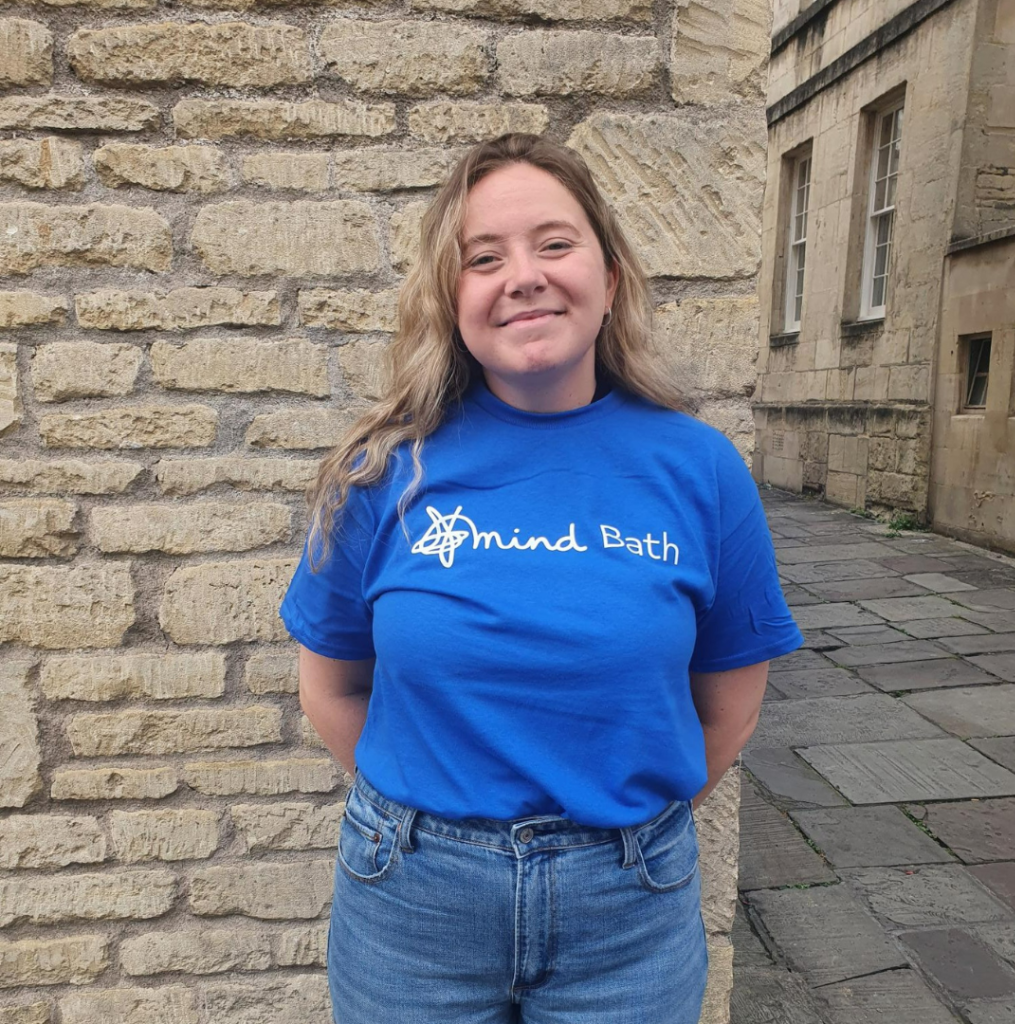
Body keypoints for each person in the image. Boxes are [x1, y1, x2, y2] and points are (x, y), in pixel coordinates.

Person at [278, 133, 804, 1024]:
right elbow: (330, 686)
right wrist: (432, 825)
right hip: (412, 904)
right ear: (454, 300)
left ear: (610, 272)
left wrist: (615, 827)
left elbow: (730, 708)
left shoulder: (701, 470)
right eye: (483, 258)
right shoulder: (382, 474)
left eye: (553, 243)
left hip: (628, 909)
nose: (522, 276)